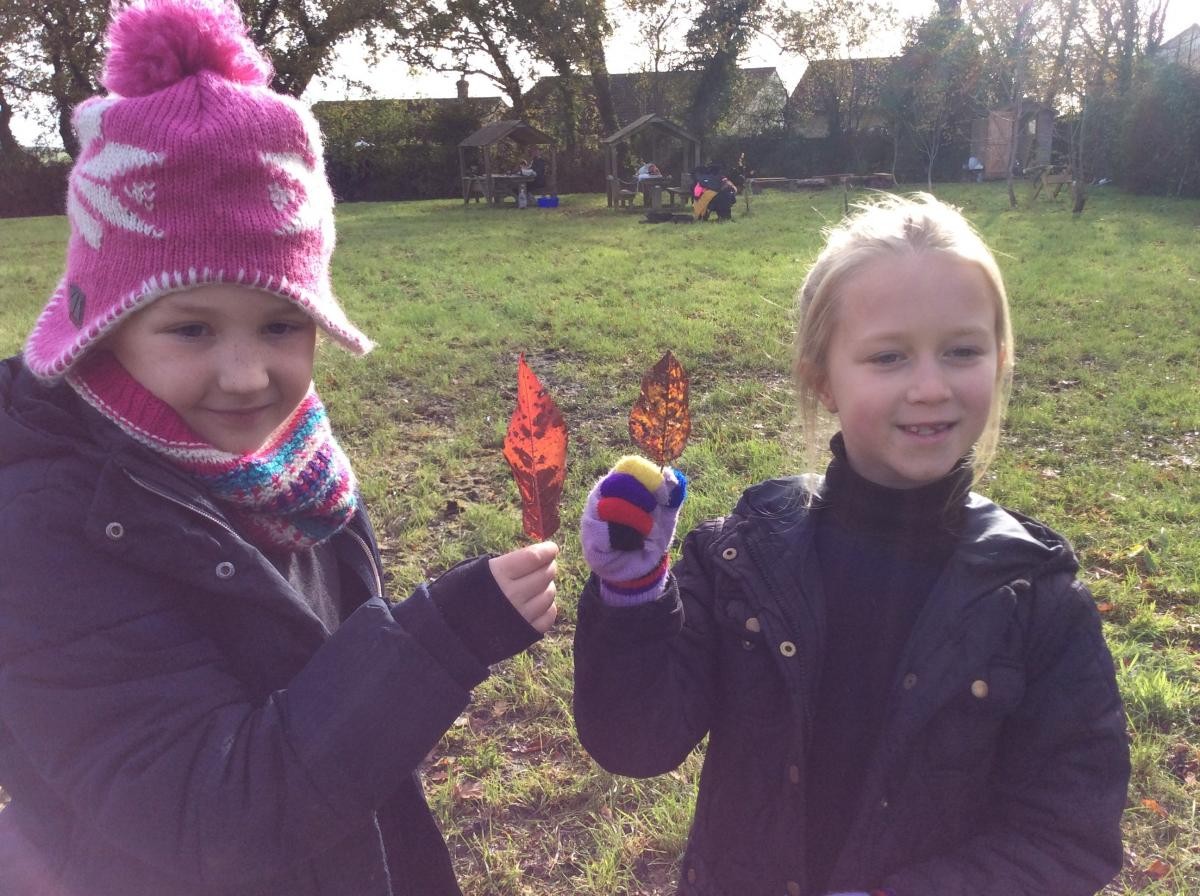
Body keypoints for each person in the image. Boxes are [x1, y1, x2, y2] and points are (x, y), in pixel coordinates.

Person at [0, 3, 557, 895]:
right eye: (191, 328)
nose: (247, 375)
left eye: (281, 324)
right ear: (101, 326)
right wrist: (436, 640)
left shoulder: (294, 469)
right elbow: (207, 811)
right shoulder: (45, 528)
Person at [573, 193, 1129, 896]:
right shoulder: (744, 559)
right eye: (889, 356)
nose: (931, 387)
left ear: (1000, 357)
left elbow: (1068, 837)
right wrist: (632, 594)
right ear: (823, 380)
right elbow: (635, 741)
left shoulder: (1036, 599)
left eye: (962, 351)